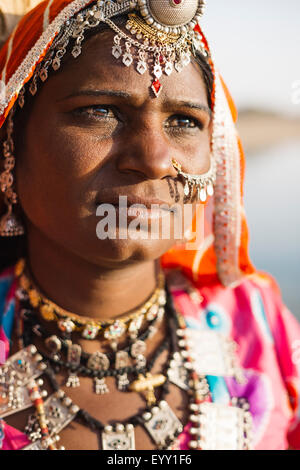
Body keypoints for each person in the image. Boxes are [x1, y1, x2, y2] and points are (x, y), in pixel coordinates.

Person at [0, 0, 299, 451]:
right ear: (10, 146)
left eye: (184, 121)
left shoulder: (255, 320)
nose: (156, 160)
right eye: (100, 110)